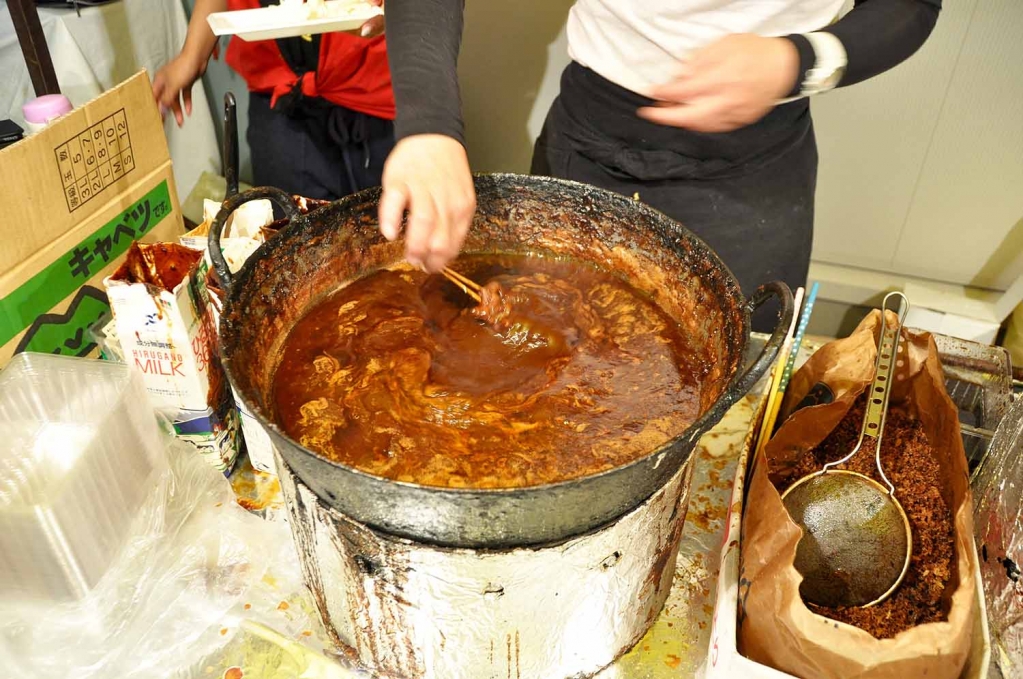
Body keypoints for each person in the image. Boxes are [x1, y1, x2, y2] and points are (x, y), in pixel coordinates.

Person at [376, 0, 941, 322]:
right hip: (589, 137)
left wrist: (802, 59)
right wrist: (429, 126)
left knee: (732, 379)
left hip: (753, 175)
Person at [153, 0, 394, 200]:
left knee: (395, 234)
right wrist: (192, 54)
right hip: (279, 94)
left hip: (379, 89)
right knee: (292, 234)